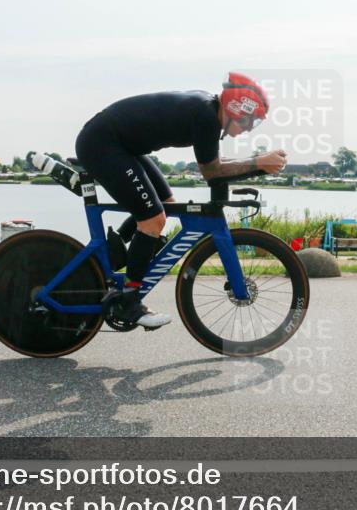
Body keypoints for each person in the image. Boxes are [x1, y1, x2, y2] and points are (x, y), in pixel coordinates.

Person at [75, 72, 287, 329]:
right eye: (250, 121)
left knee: (166, 204)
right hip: (103, 144)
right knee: (153, 220)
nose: (249, 128)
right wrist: (259, 163)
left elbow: (215, 165)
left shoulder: (208, 110)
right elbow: (212, 172)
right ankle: (129, 301)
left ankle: (114, 254)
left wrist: (259, 165)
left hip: (116, 143)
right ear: (236, 108)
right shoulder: (206, 117)